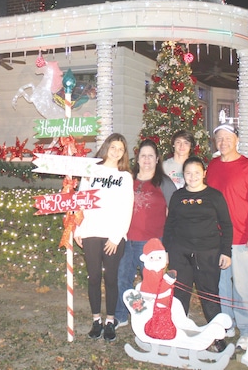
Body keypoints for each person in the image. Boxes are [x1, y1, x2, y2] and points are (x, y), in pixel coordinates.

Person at [162, 156, 233, 352]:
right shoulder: (177, 196)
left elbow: (226, 225)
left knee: (209, 295)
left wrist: (226, 252)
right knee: (179, 295)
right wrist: (166, 250)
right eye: (188, 173)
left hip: (208, 254)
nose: (192, 177)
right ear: (183, 175)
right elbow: (170, 226)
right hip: (180, 253)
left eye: (196, 173)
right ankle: (176, 332)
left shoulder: (215, 196)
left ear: (204, 173)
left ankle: (218, 337)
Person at [206, 123, 248, 351]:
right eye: (219, 139)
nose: (223, 143)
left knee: (242, 286)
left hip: (241, 237)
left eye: (227, 138)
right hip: (216, 238)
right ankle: (227, 323)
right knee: (222, 285)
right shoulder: (212, 166)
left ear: (237, 140)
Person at [73, 133, 134, 342]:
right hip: (90, 232)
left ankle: (110, 321)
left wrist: (116, 237)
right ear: (106, 147)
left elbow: (128, 209)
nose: (116, 151)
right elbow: (81, 201)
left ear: (124, 153)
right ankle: (96, 320)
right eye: (113, 147)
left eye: (121, 149)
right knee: (94, 278)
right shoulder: (91, 170)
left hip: (113, 236)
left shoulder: (125, 177)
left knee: (111, 279)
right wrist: (77, 230)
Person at [114, 139, 176, 328]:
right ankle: (122, 315)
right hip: (127, 240)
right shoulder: (127, 179)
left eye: (151, 155)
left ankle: (152, 318)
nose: (147, 159)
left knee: (152, 283)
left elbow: (173, 212)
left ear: (157, 159)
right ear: (137, 159)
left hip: (151, 244)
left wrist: (167, 243)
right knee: (122, 278)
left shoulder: (163, 183)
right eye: (143, 156)